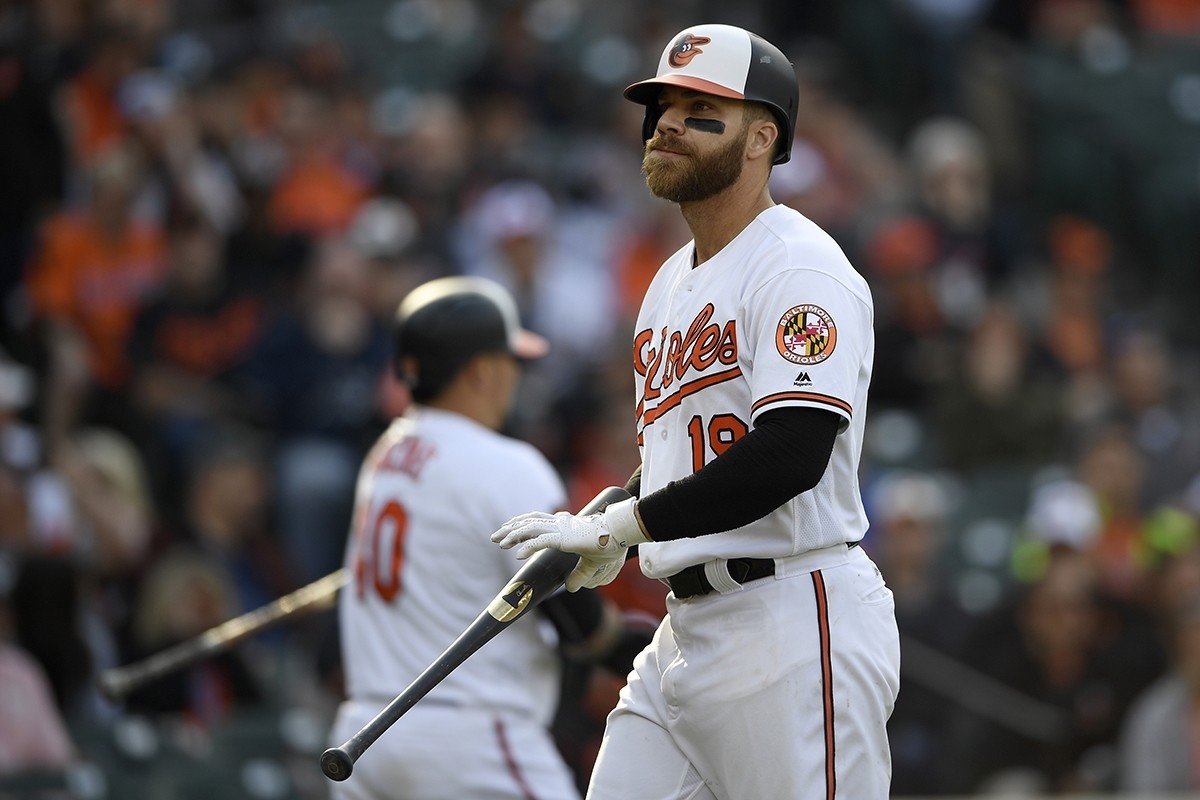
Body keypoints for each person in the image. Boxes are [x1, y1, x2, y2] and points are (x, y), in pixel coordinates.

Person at [492, 23, 901, 799]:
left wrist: (627, 526)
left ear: (760, 139)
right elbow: (685, 451)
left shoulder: (798, 265)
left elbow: (790, 452)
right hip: (685, 632)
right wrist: (618, 510)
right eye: (662, 105)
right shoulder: (669, 281)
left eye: (700, 106)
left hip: (790, 614)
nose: (669, 122)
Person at [328, 276, 650, 800]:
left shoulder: (385, 454)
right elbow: (569, 611)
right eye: (510, 363)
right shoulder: (507, 466)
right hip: (469, 738)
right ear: (480, 370)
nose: (515, 377)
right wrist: (630, 646)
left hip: (367, 738)